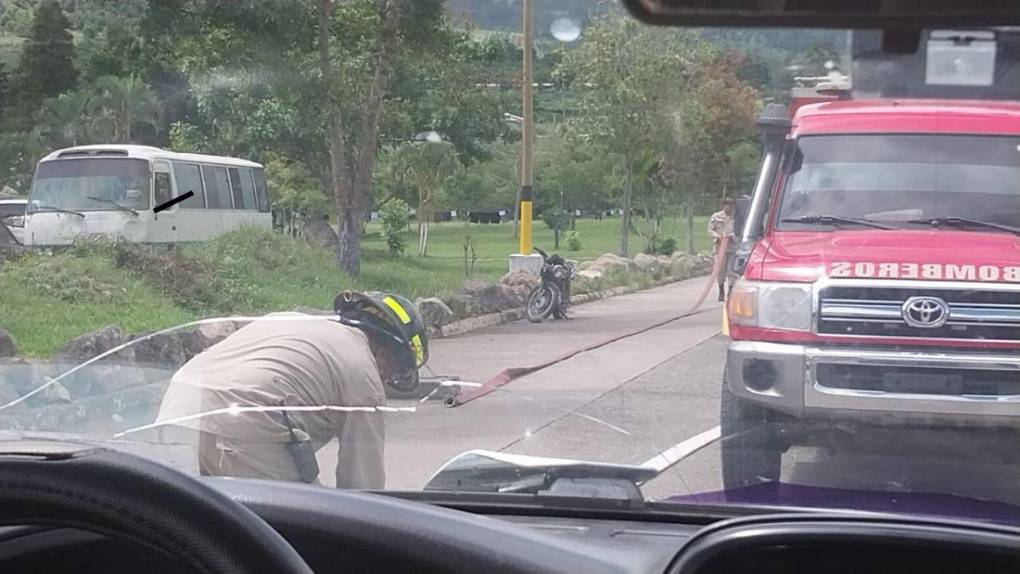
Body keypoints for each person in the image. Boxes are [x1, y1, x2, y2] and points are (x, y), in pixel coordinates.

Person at [154, 291, 430, 489]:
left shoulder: (292, 321)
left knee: (199, 524)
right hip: (241, 418)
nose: (386, 381)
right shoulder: (363, 374)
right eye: (394, 372)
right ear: (385, 354)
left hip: (178, 405)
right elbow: (363, 485)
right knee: (300, 522)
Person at [708, 197, 736, 301]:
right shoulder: (716, 217)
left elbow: (741, 230)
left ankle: (730, 291)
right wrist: (717, 236)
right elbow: (710, 230)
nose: (729, 207)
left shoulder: (737, 217)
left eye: (731, 205)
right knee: (720, 270)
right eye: (727, 205)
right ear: (723, 206)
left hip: (733, 248)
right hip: (720, 248)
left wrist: (732, 236)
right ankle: (721, 291)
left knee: (731, 271)